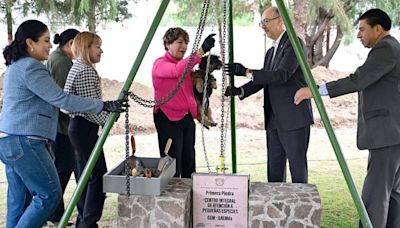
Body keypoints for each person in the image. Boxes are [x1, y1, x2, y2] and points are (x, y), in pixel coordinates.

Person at [0, 20, 127, 228]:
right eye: (46, 40)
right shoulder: (32, 68)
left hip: (8, 140)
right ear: (30, 43)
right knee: (48, 195)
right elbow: (62, 99)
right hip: (25, 141)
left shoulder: (16, 66)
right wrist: (103, 106)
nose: (51, 45)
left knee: (18, 200)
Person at [294, 8, 400, 228]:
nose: (359, 35)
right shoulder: (393, 48)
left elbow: (358, 80)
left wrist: (315, 90)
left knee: (375, 197)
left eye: (362, 29)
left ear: (378, 29)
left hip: (387, 135)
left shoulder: (386, 48)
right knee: (392, 195)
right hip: (391, 135)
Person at [224, 6, 313, 183]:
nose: (263, 26)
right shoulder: (270, 52)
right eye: (261, 22)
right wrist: (241, 90)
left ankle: (299, 208)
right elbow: (266, 78)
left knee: (297, 168)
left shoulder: (294, 43)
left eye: (266, 21)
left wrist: (246, 71)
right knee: (274, 168)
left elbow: (282, 75)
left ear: (280, 21)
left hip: (293, 117)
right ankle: (276, 206)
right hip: (273, 118)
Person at [63, 31, 115, 228]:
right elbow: (90, 107)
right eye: (97, 46)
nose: (101, 50)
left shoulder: (79, 67)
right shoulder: (85, 71)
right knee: (97, 175)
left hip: (79, 127)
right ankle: (88, 222)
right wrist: (109, 117)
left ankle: (84, 221)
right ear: (86, 48)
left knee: (86, 175)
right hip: (84, 126)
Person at [152, 28, 215, 178]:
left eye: (186, 42)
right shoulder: (160, 64)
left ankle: (190, 195)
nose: (184, 46)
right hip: (168, 118)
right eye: (179, 42)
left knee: (189, 161)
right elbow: (175, 71)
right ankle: (173, 198)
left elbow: (188, 90)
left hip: (186, 118)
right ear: (167, 44)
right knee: (173, 164)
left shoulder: (185, 65)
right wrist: (201, 51)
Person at [46, 28, 80, 226]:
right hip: (62, 128)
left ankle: (57, 212)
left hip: (63, 127)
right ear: (71, 43)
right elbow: (63, 99)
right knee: (62, 169)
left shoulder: (62, 59)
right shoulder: (59, 62)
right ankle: (54, 213)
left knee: (67, 168)